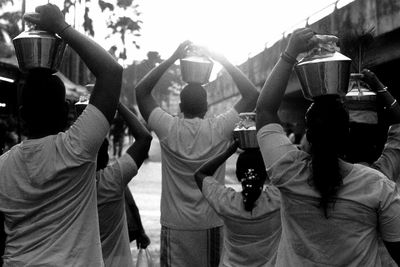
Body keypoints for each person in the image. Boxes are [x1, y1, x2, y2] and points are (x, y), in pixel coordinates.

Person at [256, 28, 400, 266]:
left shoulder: (287, 171)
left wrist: (290, 54)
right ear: (348, 133)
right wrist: (378, 85)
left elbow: (265, 110)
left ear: (308, 136)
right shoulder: (377, 185)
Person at [0, 4, 122, 266]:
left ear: (21, 113)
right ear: (66, 110)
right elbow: (111, 72)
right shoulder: (78, 147)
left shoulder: (2, 167)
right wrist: (61, 28)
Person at [135, 41, 259, 267]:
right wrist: (222, 59)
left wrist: (173, 57)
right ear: (207, 107)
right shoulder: (219, 129)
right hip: (211, 222)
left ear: (180, 106)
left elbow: (141, 92)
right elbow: (252, 94)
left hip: (175, 225)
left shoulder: (169, 128)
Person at [194, 143, 281, 267]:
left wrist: (229, 151)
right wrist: (268, 147)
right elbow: (288, 171)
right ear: (266, 175)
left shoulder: (227, 202)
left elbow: (200, 174)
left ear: (238, 175)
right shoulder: (276, 200)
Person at [96, 103, 152, 267]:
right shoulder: (113, 179)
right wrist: (116, 102)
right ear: (106, 157)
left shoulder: (72, 183)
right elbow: (144, 137)